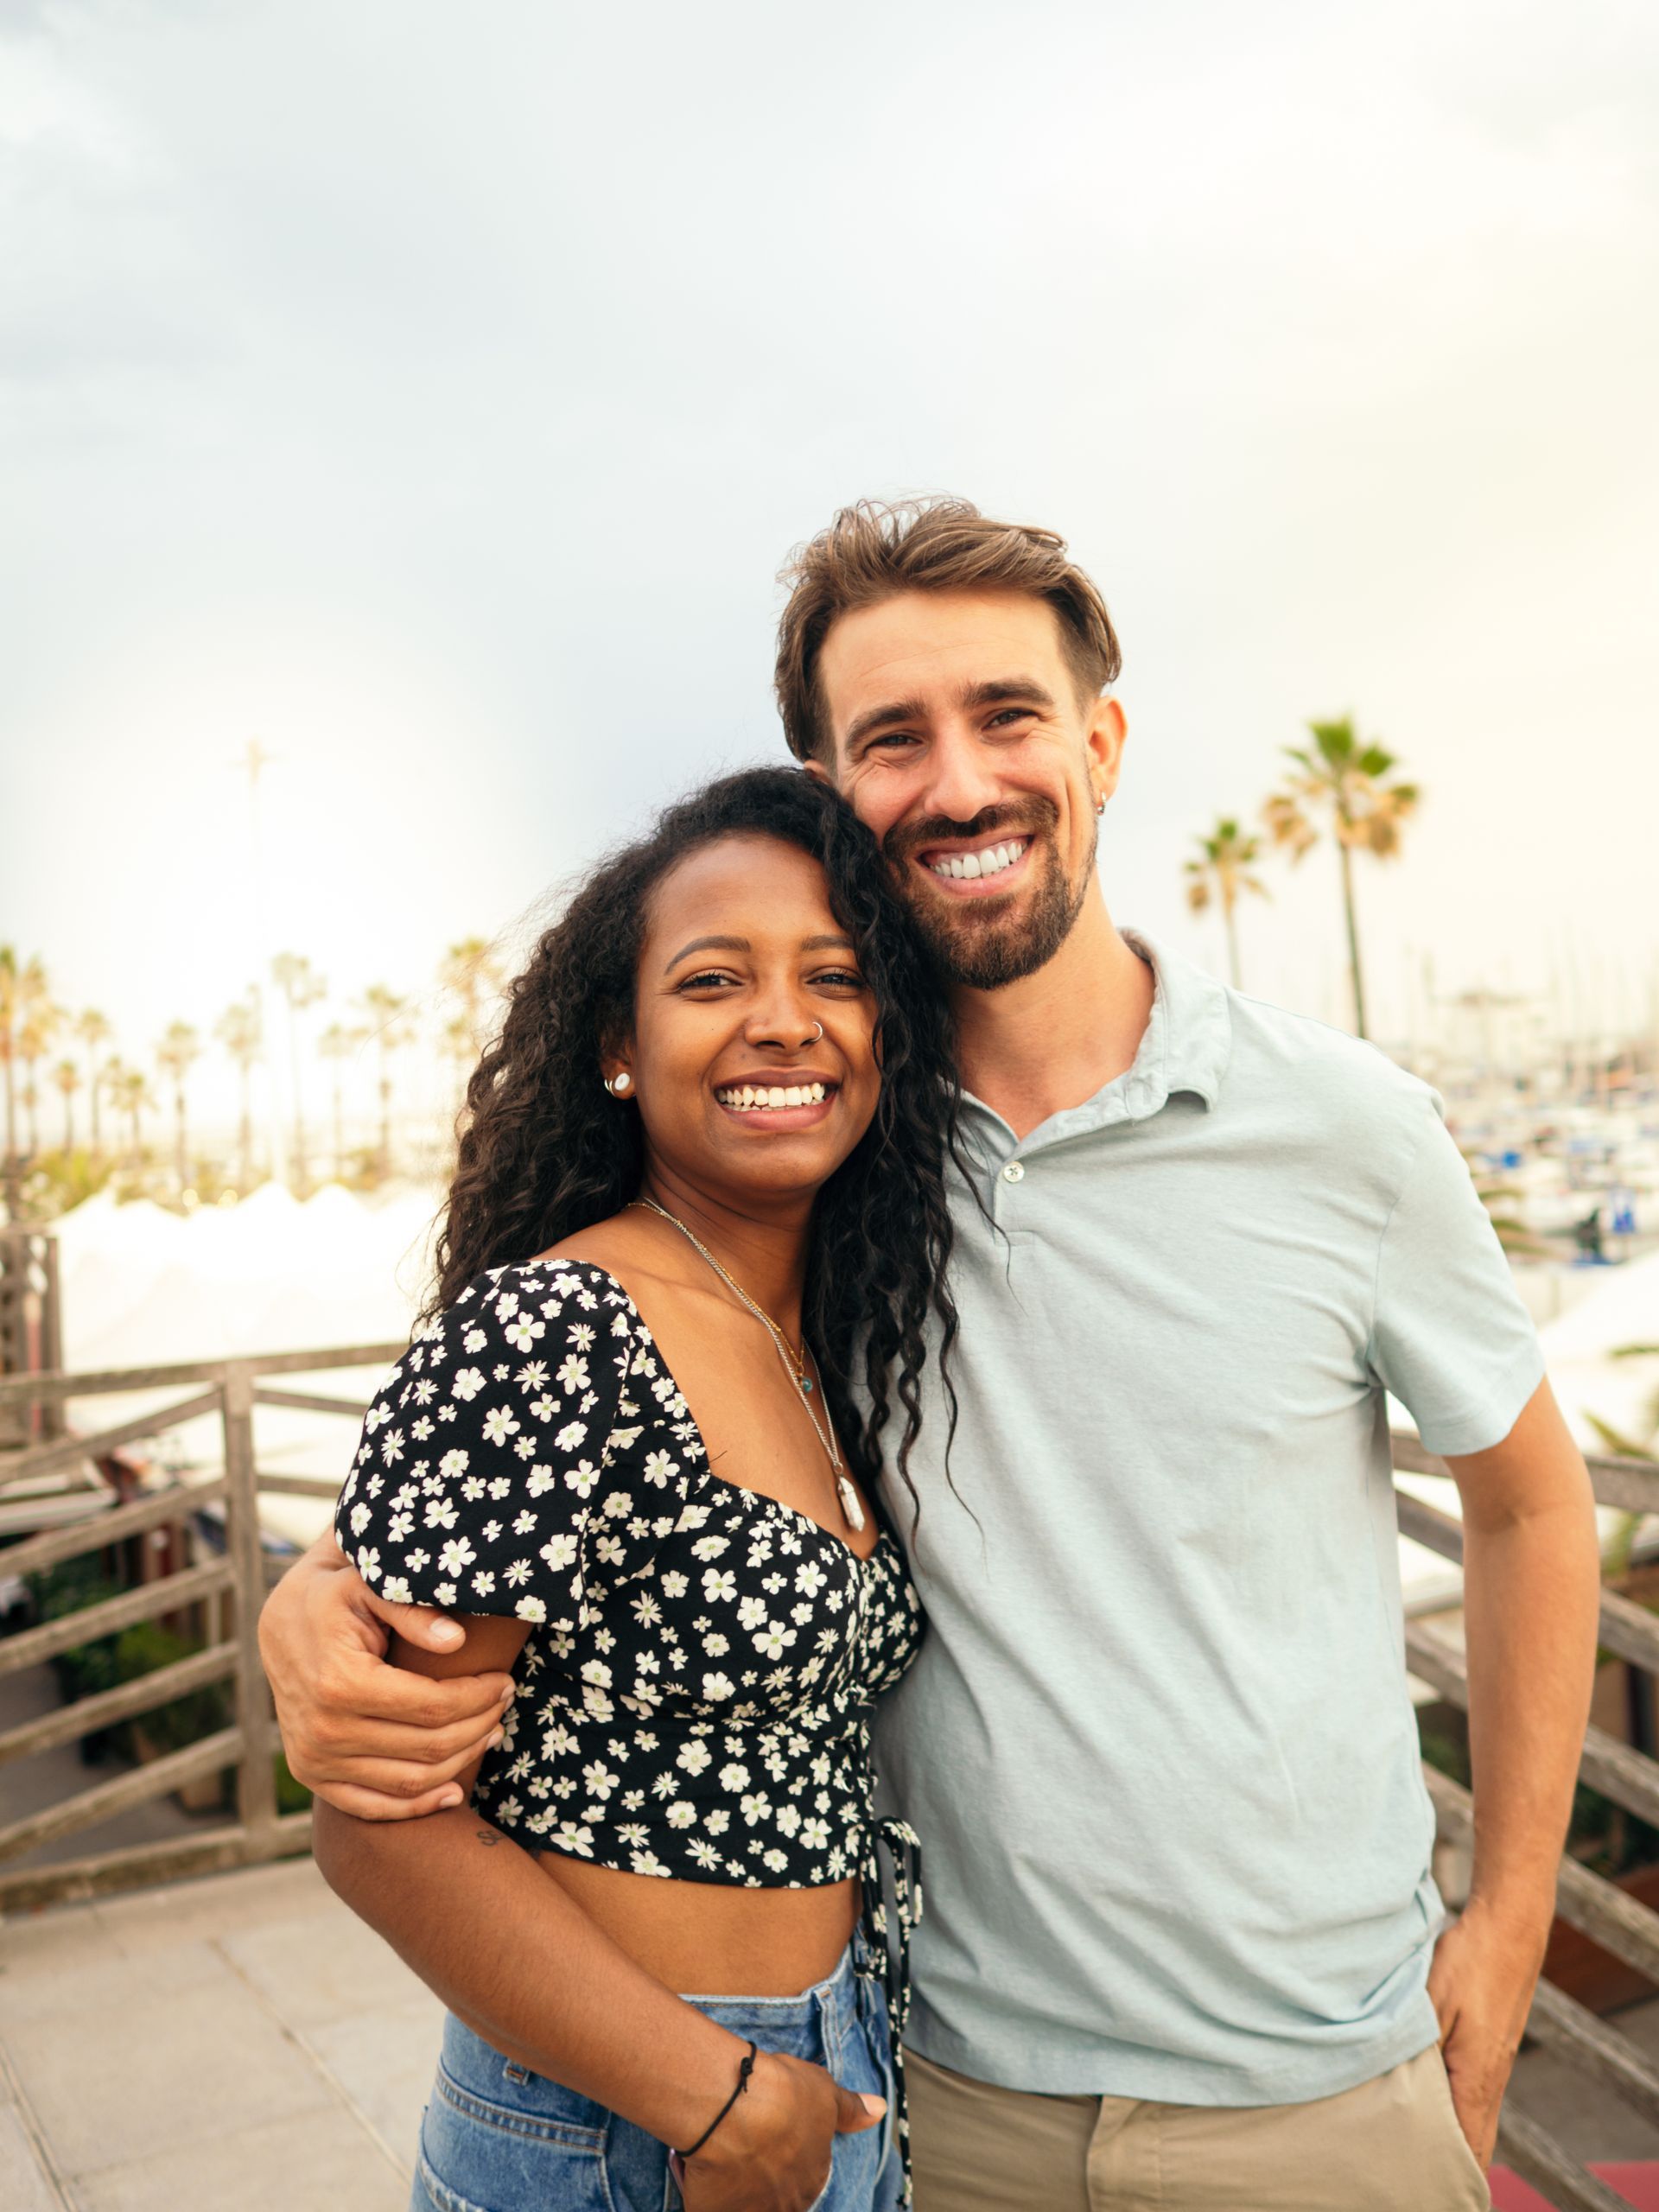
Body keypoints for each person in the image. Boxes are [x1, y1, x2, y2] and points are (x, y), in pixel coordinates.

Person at [264, 499, 1602, 2211]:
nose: (959, 781)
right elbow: (594, 1357)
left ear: (1101, 742)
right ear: (832, 785)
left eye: (1008, 714)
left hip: (1323, 2091)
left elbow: (1532, 1508)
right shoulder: (838, 1163)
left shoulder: (1348, 1127)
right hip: (941, 2091)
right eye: (894, 738)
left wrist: (1509, 1919)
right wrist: (328, 1577)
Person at [310, 767, 967, 2212]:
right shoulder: (557, 1331)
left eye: (836, 976)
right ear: (621, 1044)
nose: (783, 1019)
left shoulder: (831, 1337)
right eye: (713, 977)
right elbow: (376, 1821)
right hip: (623, 2116)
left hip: (838, 2065)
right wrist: (715, 2097)